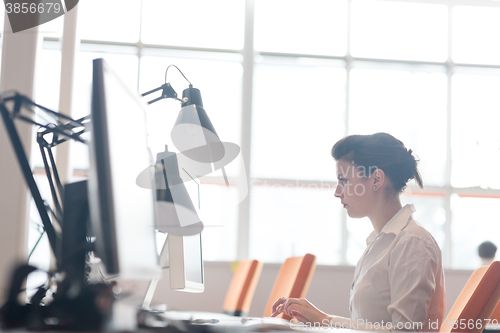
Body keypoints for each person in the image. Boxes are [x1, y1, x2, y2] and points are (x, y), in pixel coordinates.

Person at [271, 133, 445, 332]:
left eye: (344, 180)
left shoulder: (412, 242)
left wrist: (325, 320)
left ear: (376, 179)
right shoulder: (378, 243)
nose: (337, 192)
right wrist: (320, 321)